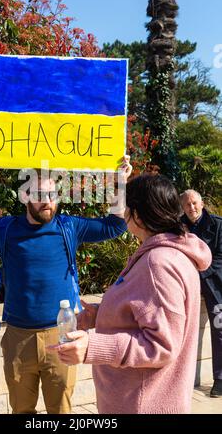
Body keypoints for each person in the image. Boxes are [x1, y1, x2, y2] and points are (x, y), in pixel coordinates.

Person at [0, 146, 132, 414]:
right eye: (39, 194)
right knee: (22, 411)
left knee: (61, 412)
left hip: (62, 337)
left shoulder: (69, 227)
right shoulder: (5, 229)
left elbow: (115, 226)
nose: (47, 201)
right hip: (18, 339)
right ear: (25, 196)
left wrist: (120, 182)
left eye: (52, 195)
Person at [48, 174, 212, 414]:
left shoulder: (159, 263)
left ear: (137, 214)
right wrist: (100, 314)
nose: (122, 212)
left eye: (125, 205)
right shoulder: (164, 253)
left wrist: (92, 346)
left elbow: (162, 345)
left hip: (142, 404)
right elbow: (145, 312)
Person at [180, 189, 222, 398]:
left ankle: (220, 379)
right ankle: (179, 380)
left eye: (195, 203)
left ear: (202, 203)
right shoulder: (178, 226)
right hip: (185, 285)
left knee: (220, 328)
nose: (192, 207)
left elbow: (220, 257)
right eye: (187, 205)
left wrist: (198, 273)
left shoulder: (218, 224)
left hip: (215, 285)